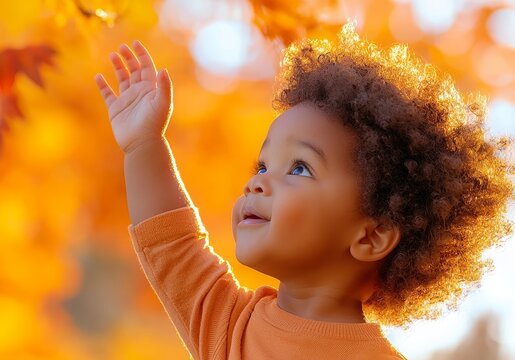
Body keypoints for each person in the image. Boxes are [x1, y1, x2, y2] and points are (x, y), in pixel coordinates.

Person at [94, 23, 514, 359]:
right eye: (261, 165)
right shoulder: (229, 326)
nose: (256, 181)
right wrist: (143, 145)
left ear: (371, 236)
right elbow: (173, 244)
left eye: (299, 168)